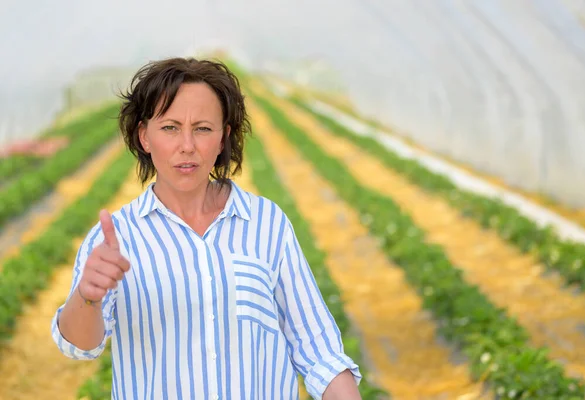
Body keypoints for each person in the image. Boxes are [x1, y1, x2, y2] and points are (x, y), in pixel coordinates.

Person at [51, 57, 362, 400]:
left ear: (222, 138)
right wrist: (87, 296)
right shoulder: (116, 240)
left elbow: (318, 350)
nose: (187, 145)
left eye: (202, 128)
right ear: (145, 137)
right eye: (170, 127)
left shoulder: (266, 224)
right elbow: (79, 346)